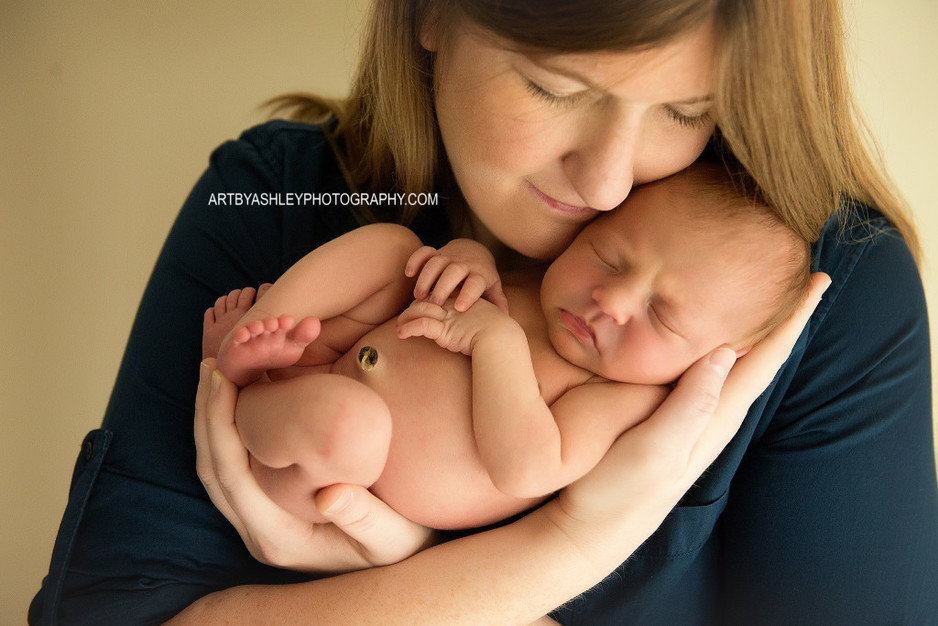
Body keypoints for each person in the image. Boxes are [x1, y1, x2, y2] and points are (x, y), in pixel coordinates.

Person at [30, 0, 936, 624]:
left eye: (685, 111)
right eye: (555, 88)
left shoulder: (817, 297)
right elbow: (106, 610)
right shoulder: (272, 196)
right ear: (432, 12)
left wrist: (542, 557)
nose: (610, 180)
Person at [203, 163, 811, 531]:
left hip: (332, 472)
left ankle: (244, 396)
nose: (612, 300)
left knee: (348, 423)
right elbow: (444, 281)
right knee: (393, 246)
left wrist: (497, 345)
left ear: (708, 359)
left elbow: (528, 469)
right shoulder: (541, 286)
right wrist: (464, 263)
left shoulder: (619, 398)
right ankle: (266, 326)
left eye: (662, 314)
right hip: (334, 352)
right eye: (608, 256)